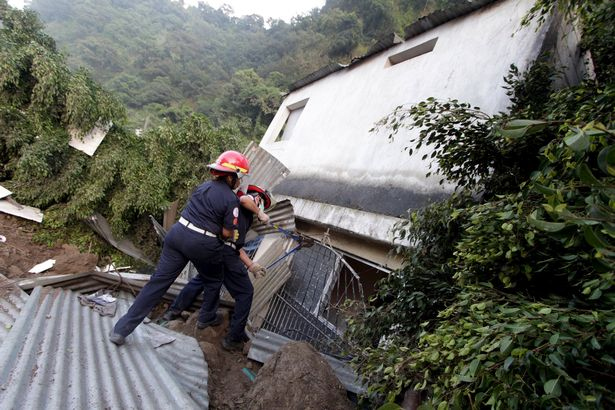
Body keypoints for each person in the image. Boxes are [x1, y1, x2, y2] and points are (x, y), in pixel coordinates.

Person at [109, 150, 251, 346]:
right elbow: (227, 233)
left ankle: (121, 330)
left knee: (158, 282)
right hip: (202, 244)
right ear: (231, 175)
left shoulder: (202, 187)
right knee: (213, 279)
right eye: (240, 177)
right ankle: (206, 317)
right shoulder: (231, 200)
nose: (240, 182)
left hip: (177, 234)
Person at [161, 184, 273, 352]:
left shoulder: (244, 215)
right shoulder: (245, 202)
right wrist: (260, 212)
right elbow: (244, 199)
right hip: (224, 253)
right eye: (262, 202)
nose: (260, 205)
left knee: (202, 279)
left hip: (217, 248)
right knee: (245, 292)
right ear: (258, 198)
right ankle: (233, 338)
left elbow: (234, 244)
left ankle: (174, 311)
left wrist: (250, 265)